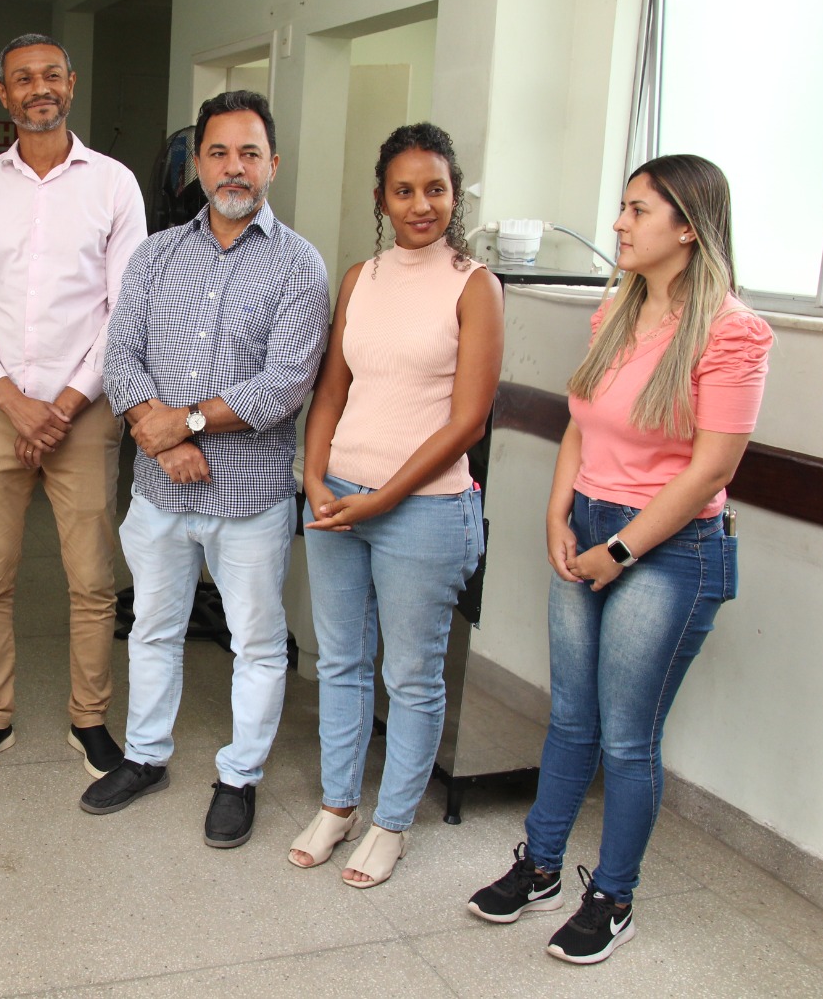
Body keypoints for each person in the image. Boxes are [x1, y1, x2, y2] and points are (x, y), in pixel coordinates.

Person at [466, 154, 772, 964]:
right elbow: (580, 424)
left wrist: (623, 550)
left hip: (669, 549)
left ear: (688, 226)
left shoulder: (733, 331)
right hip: (590, 524)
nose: (618, 224)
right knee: (570, 718)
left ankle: (613, 896)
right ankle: (540, 866)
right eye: (623, 207)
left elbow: (711, 469)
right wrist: (557, 515)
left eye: (638, 210)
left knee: (629, 739)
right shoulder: (618, 311)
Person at [82, 90, 330, 849]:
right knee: (153, 629)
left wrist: (186, 421)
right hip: (160, 488)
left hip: (250, 495)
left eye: (250, 153)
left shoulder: (299, 265)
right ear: (198, 163)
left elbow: (285, 384)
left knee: (255, 642)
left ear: (273, 164)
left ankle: (240, 776)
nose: (234, 167)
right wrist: (162, 441)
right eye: (218, 152)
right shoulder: (156, 255)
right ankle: (146, 756)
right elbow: (120, 356)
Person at [289, 123, 502, 885]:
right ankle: (338, 806)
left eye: (435, 189)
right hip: (338, 502)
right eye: (404, 191)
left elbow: (468, 421)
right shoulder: (361, 278)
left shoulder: (474, 285)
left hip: (423, 510)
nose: (421, 205)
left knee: (410, 676)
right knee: (341, 659)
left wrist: (385, 497)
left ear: (454, 194)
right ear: (381, 198)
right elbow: (331, 391)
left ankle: (393, 823)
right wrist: (316, 478)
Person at [0, 33, 147, 781]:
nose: (40, 89)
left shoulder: (115, 185)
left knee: (91, 580)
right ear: (3, 93)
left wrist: (60, 406)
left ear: (71, 83)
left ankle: (89, 721)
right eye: (23, 78)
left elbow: (124, 310)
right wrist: (12, 399)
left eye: (52, 75)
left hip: (83, 412)